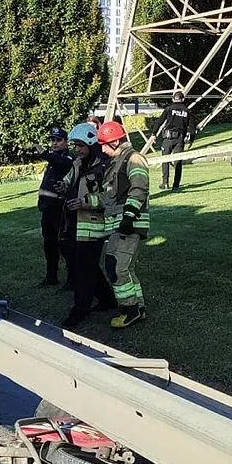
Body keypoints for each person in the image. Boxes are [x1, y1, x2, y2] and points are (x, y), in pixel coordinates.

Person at [61, 123, 117, 328]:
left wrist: (84, 202)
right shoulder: (79, 163)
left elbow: (109, 196)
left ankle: (79, 310)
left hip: (94, 225)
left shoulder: (104, 167)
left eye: (80, 146)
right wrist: (63, 185)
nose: (77, 149)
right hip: (75, 221)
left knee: (83, 269)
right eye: (75, 145)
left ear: (92, 144)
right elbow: (70, 180)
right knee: (85, 265)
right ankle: (107, 299)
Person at [98, 120, 150, 328]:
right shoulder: (117, 162)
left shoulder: (133, 158)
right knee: (124, 268)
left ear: (116, 141)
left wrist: (129, 217)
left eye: (104, 144)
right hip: (118, 224)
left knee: (117, 269)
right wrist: (83, 202)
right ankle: (139, 308)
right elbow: (108, 198)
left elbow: (139, 188)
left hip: (128, 223)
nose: (101, 148)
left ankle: (129, 311)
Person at [36, 126, 75, 287]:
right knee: (49, 245)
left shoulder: (68, 159)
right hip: (47, 208)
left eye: (58, 140)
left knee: (64, 245)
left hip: (60, 209)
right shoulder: (53, 160)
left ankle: (72, 279)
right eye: (52, 140)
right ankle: (51, 276)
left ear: (66, 142)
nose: (54, 143)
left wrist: (44, 153)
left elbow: (61, 164)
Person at [154, 90, 194, 190]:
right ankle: (176, 185)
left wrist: (153, 134)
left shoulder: (169, 109)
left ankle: (165, 182)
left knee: (165, 160)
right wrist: (191, 140)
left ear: (173, 99)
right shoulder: (187, 111)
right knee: (178, 162)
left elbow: (159, 122)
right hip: (180, 139)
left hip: (168, 138)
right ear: (183, 99)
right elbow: (192, 128)